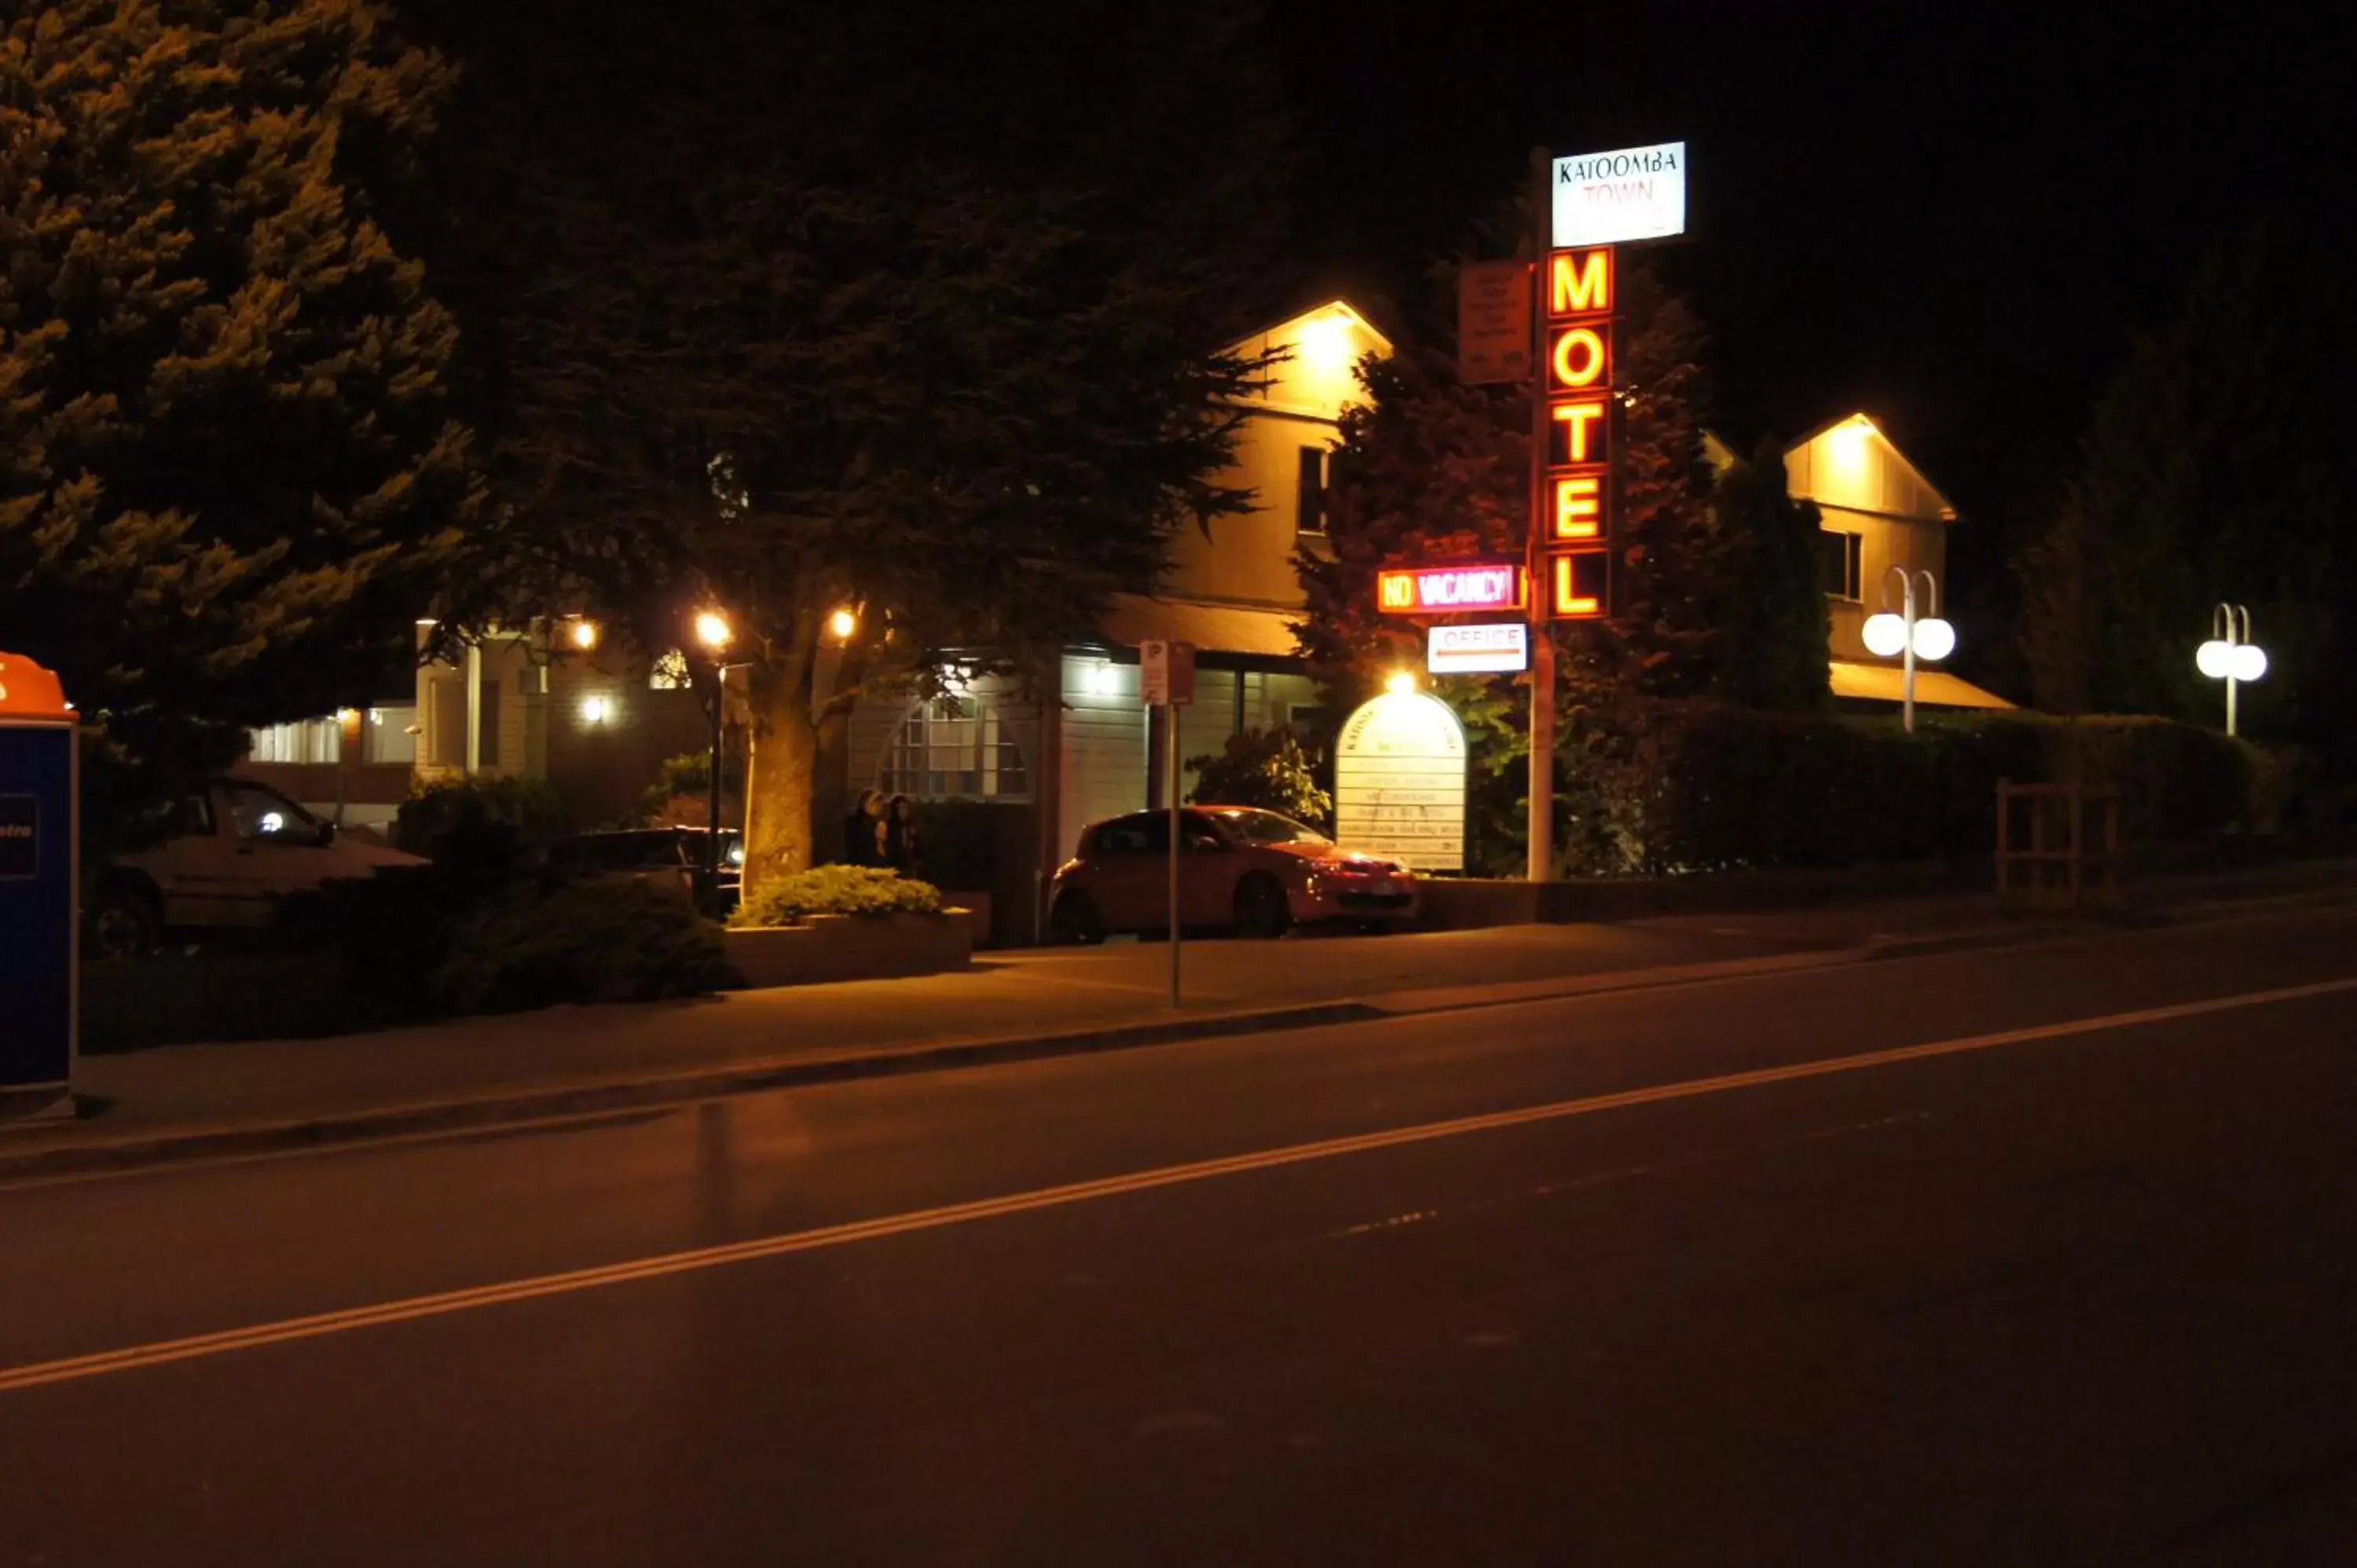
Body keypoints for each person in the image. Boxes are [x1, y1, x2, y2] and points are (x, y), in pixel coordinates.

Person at [882, 794, 922, 877]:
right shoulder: (889, 826)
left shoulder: (911, 825)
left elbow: (917, 845)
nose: (903, 811)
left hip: (909, 866)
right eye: (900, 808)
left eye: (906, 808)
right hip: (894, 867)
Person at [842, 789, 883, 866]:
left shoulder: (877, 823)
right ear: (866, 804)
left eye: (881, 805)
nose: (879, 808)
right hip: (859, 868)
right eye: (877, 804)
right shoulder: (854, 822)